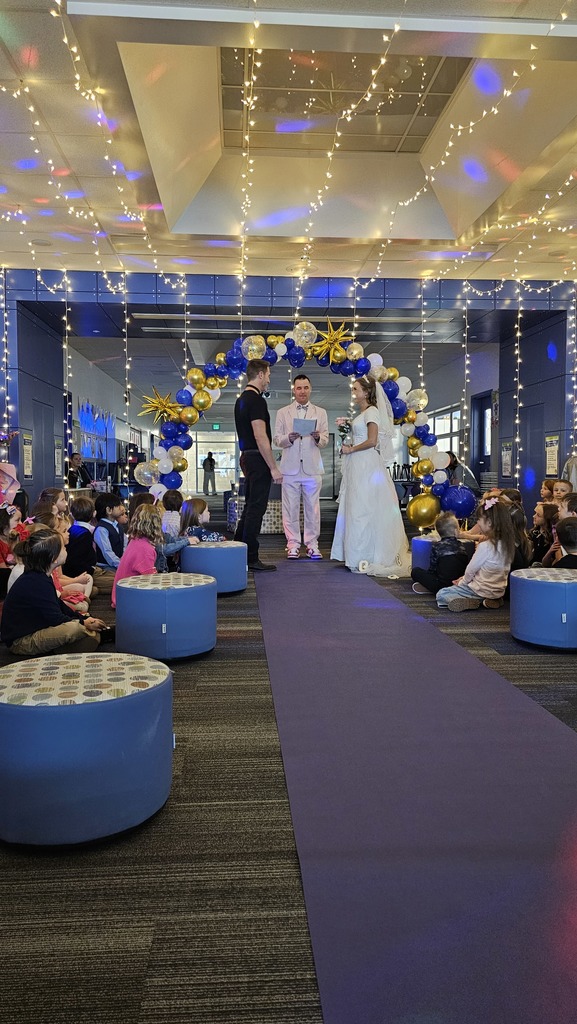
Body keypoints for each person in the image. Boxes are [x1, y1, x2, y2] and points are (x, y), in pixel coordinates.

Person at [330, 375, 410, 575]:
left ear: (366, 392)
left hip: (366, 463)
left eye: (356, 389)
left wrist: (351, 449)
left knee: (363, 507)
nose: (354, 393)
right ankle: (356, 554)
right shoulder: (364, 412)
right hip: (359, 463)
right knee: (357, 506)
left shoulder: (372, 412)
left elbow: (372, 441)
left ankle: (364, 555)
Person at [0, 530, 108, 657]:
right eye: (63, 547)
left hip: (37, 629)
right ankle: (92, 636)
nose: (66, 549)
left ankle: (90, 636)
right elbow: (55, 618)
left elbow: (60, 607)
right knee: (75, 628)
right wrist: (83, 623)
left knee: (82, 619)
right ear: (54, 558)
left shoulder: (41, 577)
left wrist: (84, 618)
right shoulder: (36, 582)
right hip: (21, 641)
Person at [234, 358, 282, 571]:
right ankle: (251, 557)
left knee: (250, 506)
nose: (269, 380)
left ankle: (238, 549)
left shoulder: (241, 399)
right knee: (256, 507)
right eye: (268, 375)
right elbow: (260, 436)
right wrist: (273, 467)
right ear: (260, 374)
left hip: (247, 456)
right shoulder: (256, 400)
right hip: (257, 457)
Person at [273, 373, 329, 560]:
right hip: (290, 468)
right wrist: (287, 438)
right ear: (293, 389)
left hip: (312, 468)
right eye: (299, 388)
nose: (302, 391)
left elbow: (326, 439)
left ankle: (312, 544)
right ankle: (293, 544)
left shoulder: (320, 412)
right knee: (290, 509)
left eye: (305, 387)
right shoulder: (283, 412)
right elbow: (277, 438)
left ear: (310, 389)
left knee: (313, 509)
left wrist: (317, 437)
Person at [436, 496, 516, 611]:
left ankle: (474, 601)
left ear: (489, 522)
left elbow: (471, 570)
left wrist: (461, 583)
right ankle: (491, 601)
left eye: (479, 519)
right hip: (498, 591)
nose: (478, 522)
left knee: (442, 593)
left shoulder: (485, 546)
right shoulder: (507, 544)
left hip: (479, 590)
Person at [111, 504, 163, 607]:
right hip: (129, 600)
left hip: (123, 596)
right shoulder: (145, 549)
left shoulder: (135, 541)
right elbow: (152, 580)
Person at [411, 512, 473, 595]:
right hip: (458, 584)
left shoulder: (437, 547)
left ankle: (432, 589)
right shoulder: (461, 546)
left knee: (415, 571)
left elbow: (432, 569)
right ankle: (452, 591)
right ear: (455, 532)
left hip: (441, 585)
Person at [94, 492, 128, 570]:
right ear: (108, 510)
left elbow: (124, 542)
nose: (121, 508)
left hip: (119, 563)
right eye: (117, 506)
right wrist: (120, 564)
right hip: (106, 566)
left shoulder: (117, 525)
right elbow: (107, 552)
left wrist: (124, 559)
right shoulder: (101, 529)